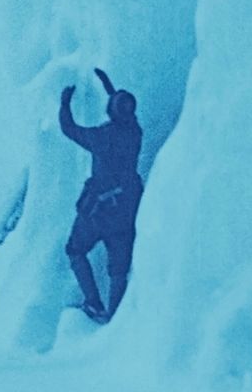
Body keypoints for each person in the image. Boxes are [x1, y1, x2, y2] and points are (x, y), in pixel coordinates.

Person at [60, 68, 143, 324]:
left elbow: (69, 128)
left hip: (97, 212)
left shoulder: (101, 137)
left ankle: (93, 302)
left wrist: (65, 103)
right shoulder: (135, 134)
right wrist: (110, 88)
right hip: (127, 210)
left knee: (75, 249)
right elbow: (126, 113)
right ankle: (115, 316)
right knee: (118, 268)